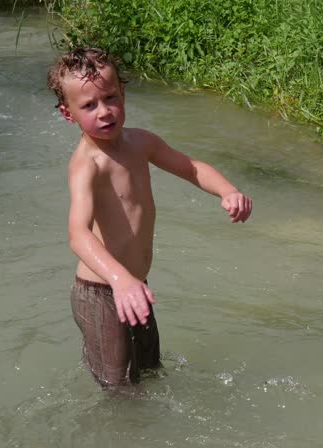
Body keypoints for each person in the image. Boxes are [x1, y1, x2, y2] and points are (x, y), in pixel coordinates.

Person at [47, 47, 253, 387]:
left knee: (150, 374)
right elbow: (78, 235)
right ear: (68, 114)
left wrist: (227, 191)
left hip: (134, 287)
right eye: (88, 105)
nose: (104, 112)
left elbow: (190, 167)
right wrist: (120, 279)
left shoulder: (141, 142)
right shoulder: (87, 165)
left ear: (123, 93)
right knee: (120, 391)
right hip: (101, 292)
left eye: (110, 97)